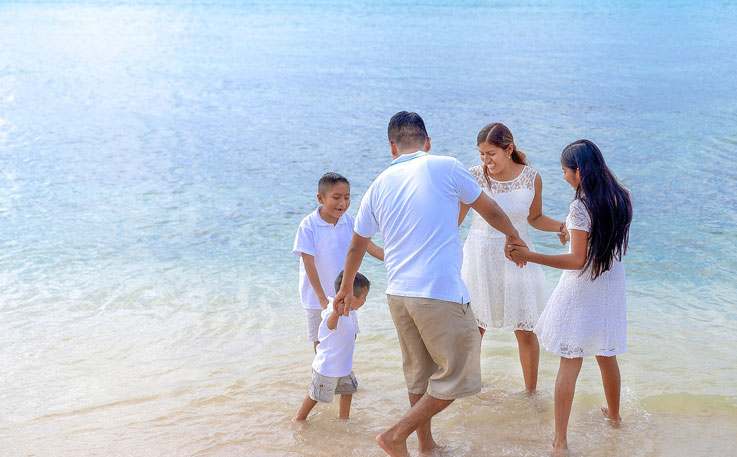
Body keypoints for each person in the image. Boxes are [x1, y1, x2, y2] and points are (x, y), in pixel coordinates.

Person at [333, 111, 527, 457]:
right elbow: (490, 210)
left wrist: (345, 289)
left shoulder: (378, 185)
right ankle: (396, 435)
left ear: (392, 147)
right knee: (461, 373)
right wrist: (515, 237)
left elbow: (355, 245)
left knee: (420, 376)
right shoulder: (447, 166)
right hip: (438, 292)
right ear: (428, 142)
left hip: (399, 295)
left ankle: (425, 446)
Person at [507, 139, 633, 457]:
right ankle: (615, 418)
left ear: (578, 171)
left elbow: (577, 260)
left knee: (570, 358)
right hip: (611, 283)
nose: (563, 177)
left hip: (583, 287)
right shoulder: (622, 197)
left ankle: (560, 442)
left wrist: (531, 255)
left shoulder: (580, 206)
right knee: (606, 354)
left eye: (564, 171)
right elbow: (599, 242)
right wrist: (572, 235)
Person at [459, 122, 569, 393]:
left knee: (526, 327)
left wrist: (562, 227)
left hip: (518, 257)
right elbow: (455, 220)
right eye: (481, 154)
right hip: (479, 256)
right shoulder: (473, 177)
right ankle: (470, 387)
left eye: (491, 154)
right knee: (475, 327)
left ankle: (530, 393)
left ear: (509, 149)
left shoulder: (531, 178)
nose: (486, 160)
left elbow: (534, 218)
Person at [293, 172, 383, 352]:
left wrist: (397, 259)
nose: (342, 203)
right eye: (336, 197)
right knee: (321, 342)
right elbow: (309, 264)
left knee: (349, 336)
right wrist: (320, 298)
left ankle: (344, 375)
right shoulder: (308, 225)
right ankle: (322, 378)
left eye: (347, 197)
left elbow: (369, 247)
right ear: (321, 198)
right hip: (316, 298)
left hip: (345, 295)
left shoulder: (350, 222)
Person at [294, 271, 371, 421]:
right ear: (351, 297)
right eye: (364, 298)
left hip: (344, 367)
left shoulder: (351, 311)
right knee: (315, 395)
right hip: (327, 368)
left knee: (348, 391)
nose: (365, 301)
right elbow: (330, 325)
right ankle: (299, 418)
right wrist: (337, 313)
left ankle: (344, 419)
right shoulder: (332, 311)